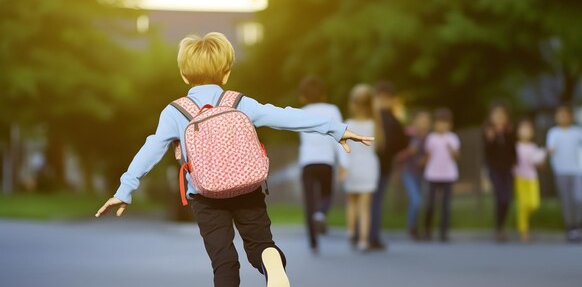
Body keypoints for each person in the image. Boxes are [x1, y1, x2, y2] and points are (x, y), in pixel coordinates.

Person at [94, 32, 374, 287]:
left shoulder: (175, 112)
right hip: (247, 188)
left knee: (224, 262)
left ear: (183, 74)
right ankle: (270, 260)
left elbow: (151, 148)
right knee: (261, 244)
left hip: (205, 197)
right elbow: (286, 116)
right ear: (226, 73)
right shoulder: (239, 102)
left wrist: (124, 190)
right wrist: (336, 130)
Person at [297, 76, 348, 253]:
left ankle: (313, 241)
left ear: (303, 97)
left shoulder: (301, 111)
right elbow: (339, 135)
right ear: (324, 95)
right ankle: (321, 213)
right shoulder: (332, 110)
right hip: (326, 161)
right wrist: (343, 163)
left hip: (307, 162)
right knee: (326, 193)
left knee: (309, 201)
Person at [547, 105, 582, 242]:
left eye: (566, 114)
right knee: (567, 201)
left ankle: (578, 226)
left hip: (576, 171)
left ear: (571, 117)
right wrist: (549, 152)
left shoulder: (577, 132)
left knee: (579, 198)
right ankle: (570, 228)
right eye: (560, 114)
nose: (563, 117)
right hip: (561, 172)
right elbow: (550, 149)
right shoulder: (553, 132)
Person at [369, 81, 409, 250]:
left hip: (368, 165)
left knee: (367, 201)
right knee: (376, 201)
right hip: (383, 165)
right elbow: (402, 142)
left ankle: (362, 234)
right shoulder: (392, 119)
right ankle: (373, 237)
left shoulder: (370, 118)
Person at [343, 84, 379, 252]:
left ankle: (351, 231)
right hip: (369, 165)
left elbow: (342, 146)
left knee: (351, 202)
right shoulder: (374, 125)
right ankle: (363, 240)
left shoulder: (348, 124)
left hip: (352, 165)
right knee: (365, 206)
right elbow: (379, 145)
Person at [423, 108, 460, 242]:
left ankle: (443, 232)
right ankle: (427, 230)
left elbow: (457, 156)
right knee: (430, 204)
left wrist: (451, 149)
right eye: (439, 122)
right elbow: (427, 155)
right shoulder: (431, 138)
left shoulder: (452, 138)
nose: (442, 125)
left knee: (445, 205)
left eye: (445, 122)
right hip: (433, 174)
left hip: (448, 174)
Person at [483, 102, 517, 241]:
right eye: (496, 115)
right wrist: (490, 139)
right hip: (494, 169)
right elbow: (487, 152)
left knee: (507, 197)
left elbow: (513, 151)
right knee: (500, 196)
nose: (499, 118)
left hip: (508, 169)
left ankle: (502, 225)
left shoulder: (510, 132)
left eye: (501, 115)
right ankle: (498, 228)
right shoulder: (487, 132)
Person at [396, 109, 431, 240]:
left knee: (424, 200)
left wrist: (426, 159)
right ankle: (412, 227)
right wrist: (409, 152)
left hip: (424, 173)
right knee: (415, 200)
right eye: (421, 120)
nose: (424, 123)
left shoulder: (429, 138)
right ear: (414, 122)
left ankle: (422, 228)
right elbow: (399, 156)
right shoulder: (408, 135)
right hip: (409, 172)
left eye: (426, 121)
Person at [514, 119, 546, 243]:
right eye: (523, 129)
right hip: (519, 177)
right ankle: (524, 230)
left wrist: (542, 161)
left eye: (528, 130)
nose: (525, 132)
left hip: (532, 178)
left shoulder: (534, 147)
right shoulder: (516, 147)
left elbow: (539, 163)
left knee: (533, 203)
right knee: (522, 205)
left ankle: (526, 223)